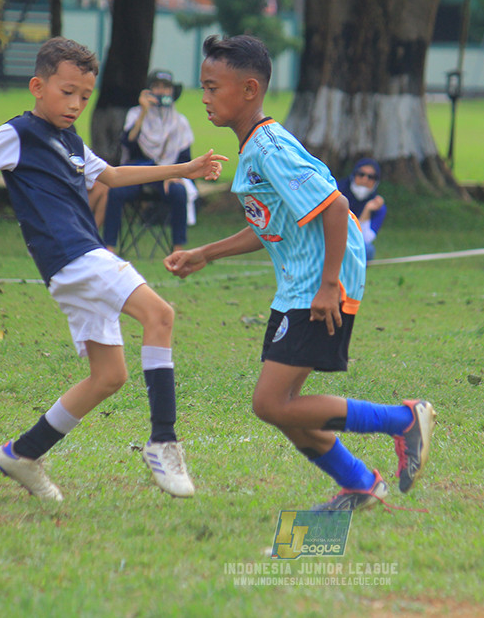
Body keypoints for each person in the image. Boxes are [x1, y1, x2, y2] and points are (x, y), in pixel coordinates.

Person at [0, 37, 226, 501]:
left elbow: (111, 175)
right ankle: (164, 441)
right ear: (37, 87)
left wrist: (184, 169)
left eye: (84, 97)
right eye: (67, 92)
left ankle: (23, 453)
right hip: (76, 258)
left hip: (73, 265)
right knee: (161, 315)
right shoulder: (18, 134)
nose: (75, 105)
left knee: (109, 376)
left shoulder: (70, 140)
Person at [164, 34, 435, 511]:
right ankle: (360, 483)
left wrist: (329, 286)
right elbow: (273, 226)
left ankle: (403, 419)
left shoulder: (269, 147)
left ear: (250, 89)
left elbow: (336, 207)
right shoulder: (255, 148)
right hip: (299, 285)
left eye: (212, 87)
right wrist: (206, 253)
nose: (204, 97)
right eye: (203, 87)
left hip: (320, 283)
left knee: (271, 403)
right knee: (284, 408)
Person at [102, 70, 198, 253]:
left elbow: (185, 157)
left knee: (179, 191)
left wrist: (176, 174)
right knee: (115, 191)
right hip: (138, 172)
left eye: (166, 87)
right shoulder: (135, 114)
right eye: (157, 87)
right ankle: (109, 248)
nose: (161, 92)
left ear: (172, 92)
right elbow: (128, 144)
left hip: (166, 175)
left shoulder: (180, 122)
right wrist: (143, 113)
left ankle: (178, 248)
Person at [337, 158, 386, 262]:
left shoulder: (377, 207)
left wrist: (367, 211)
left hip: (351, 244)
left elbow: (365, 240)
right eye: (361, 174)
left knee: (368, 250)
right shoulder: (336, 193)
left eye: (371, 177)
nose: (365, 180)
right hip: (330, 239)